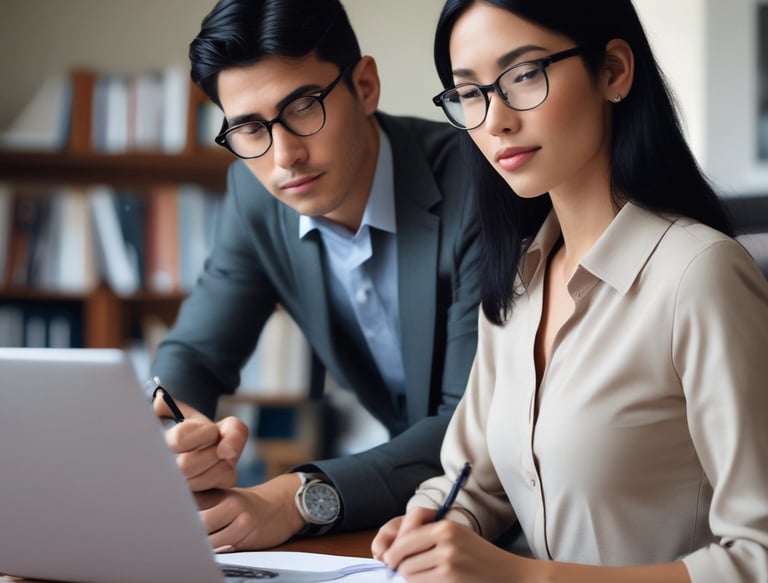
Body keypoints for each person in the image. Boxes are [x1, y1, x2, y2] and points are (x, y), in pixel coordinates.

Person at [372, 1, 768, 581]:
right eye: (470, 93)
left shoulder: (699, 276)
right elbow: (471, 481)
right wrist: (436, 522)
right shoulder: (518, 280)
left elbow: (759, 555)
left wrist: (527, 577)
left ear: (612, 71)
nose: (495, 120)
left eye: (525, 74)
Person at [149, 0, 483, 552]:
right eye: (249, 128)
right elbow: (195, 356)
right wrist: (174, 438)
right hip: (410, 517)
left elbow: (471, 423)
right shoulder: (254, 197)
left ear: (366, 85)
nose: (284, 157)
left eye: (304, 106)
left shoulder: (476, 182)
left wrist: (295, 497)